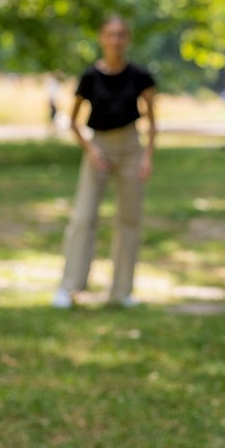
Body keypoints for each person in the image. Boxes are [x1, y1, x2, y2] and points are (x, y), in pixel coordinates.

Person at [53, 15, 157, 309]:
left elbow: (152, 121)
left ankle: (122, 291)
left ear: (128, 38)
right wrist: (91, 149)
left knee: (129, 219)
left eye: (122, 34)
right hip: (98, 146)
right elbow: (73, 122)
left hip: (130, 148)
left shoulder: (140, 76)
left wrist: (147, 156)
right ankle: (69, 286)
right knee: (83, 217)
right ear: (102, 37)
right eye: (111, 34)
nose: (116, 40)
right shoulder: (90, 77)